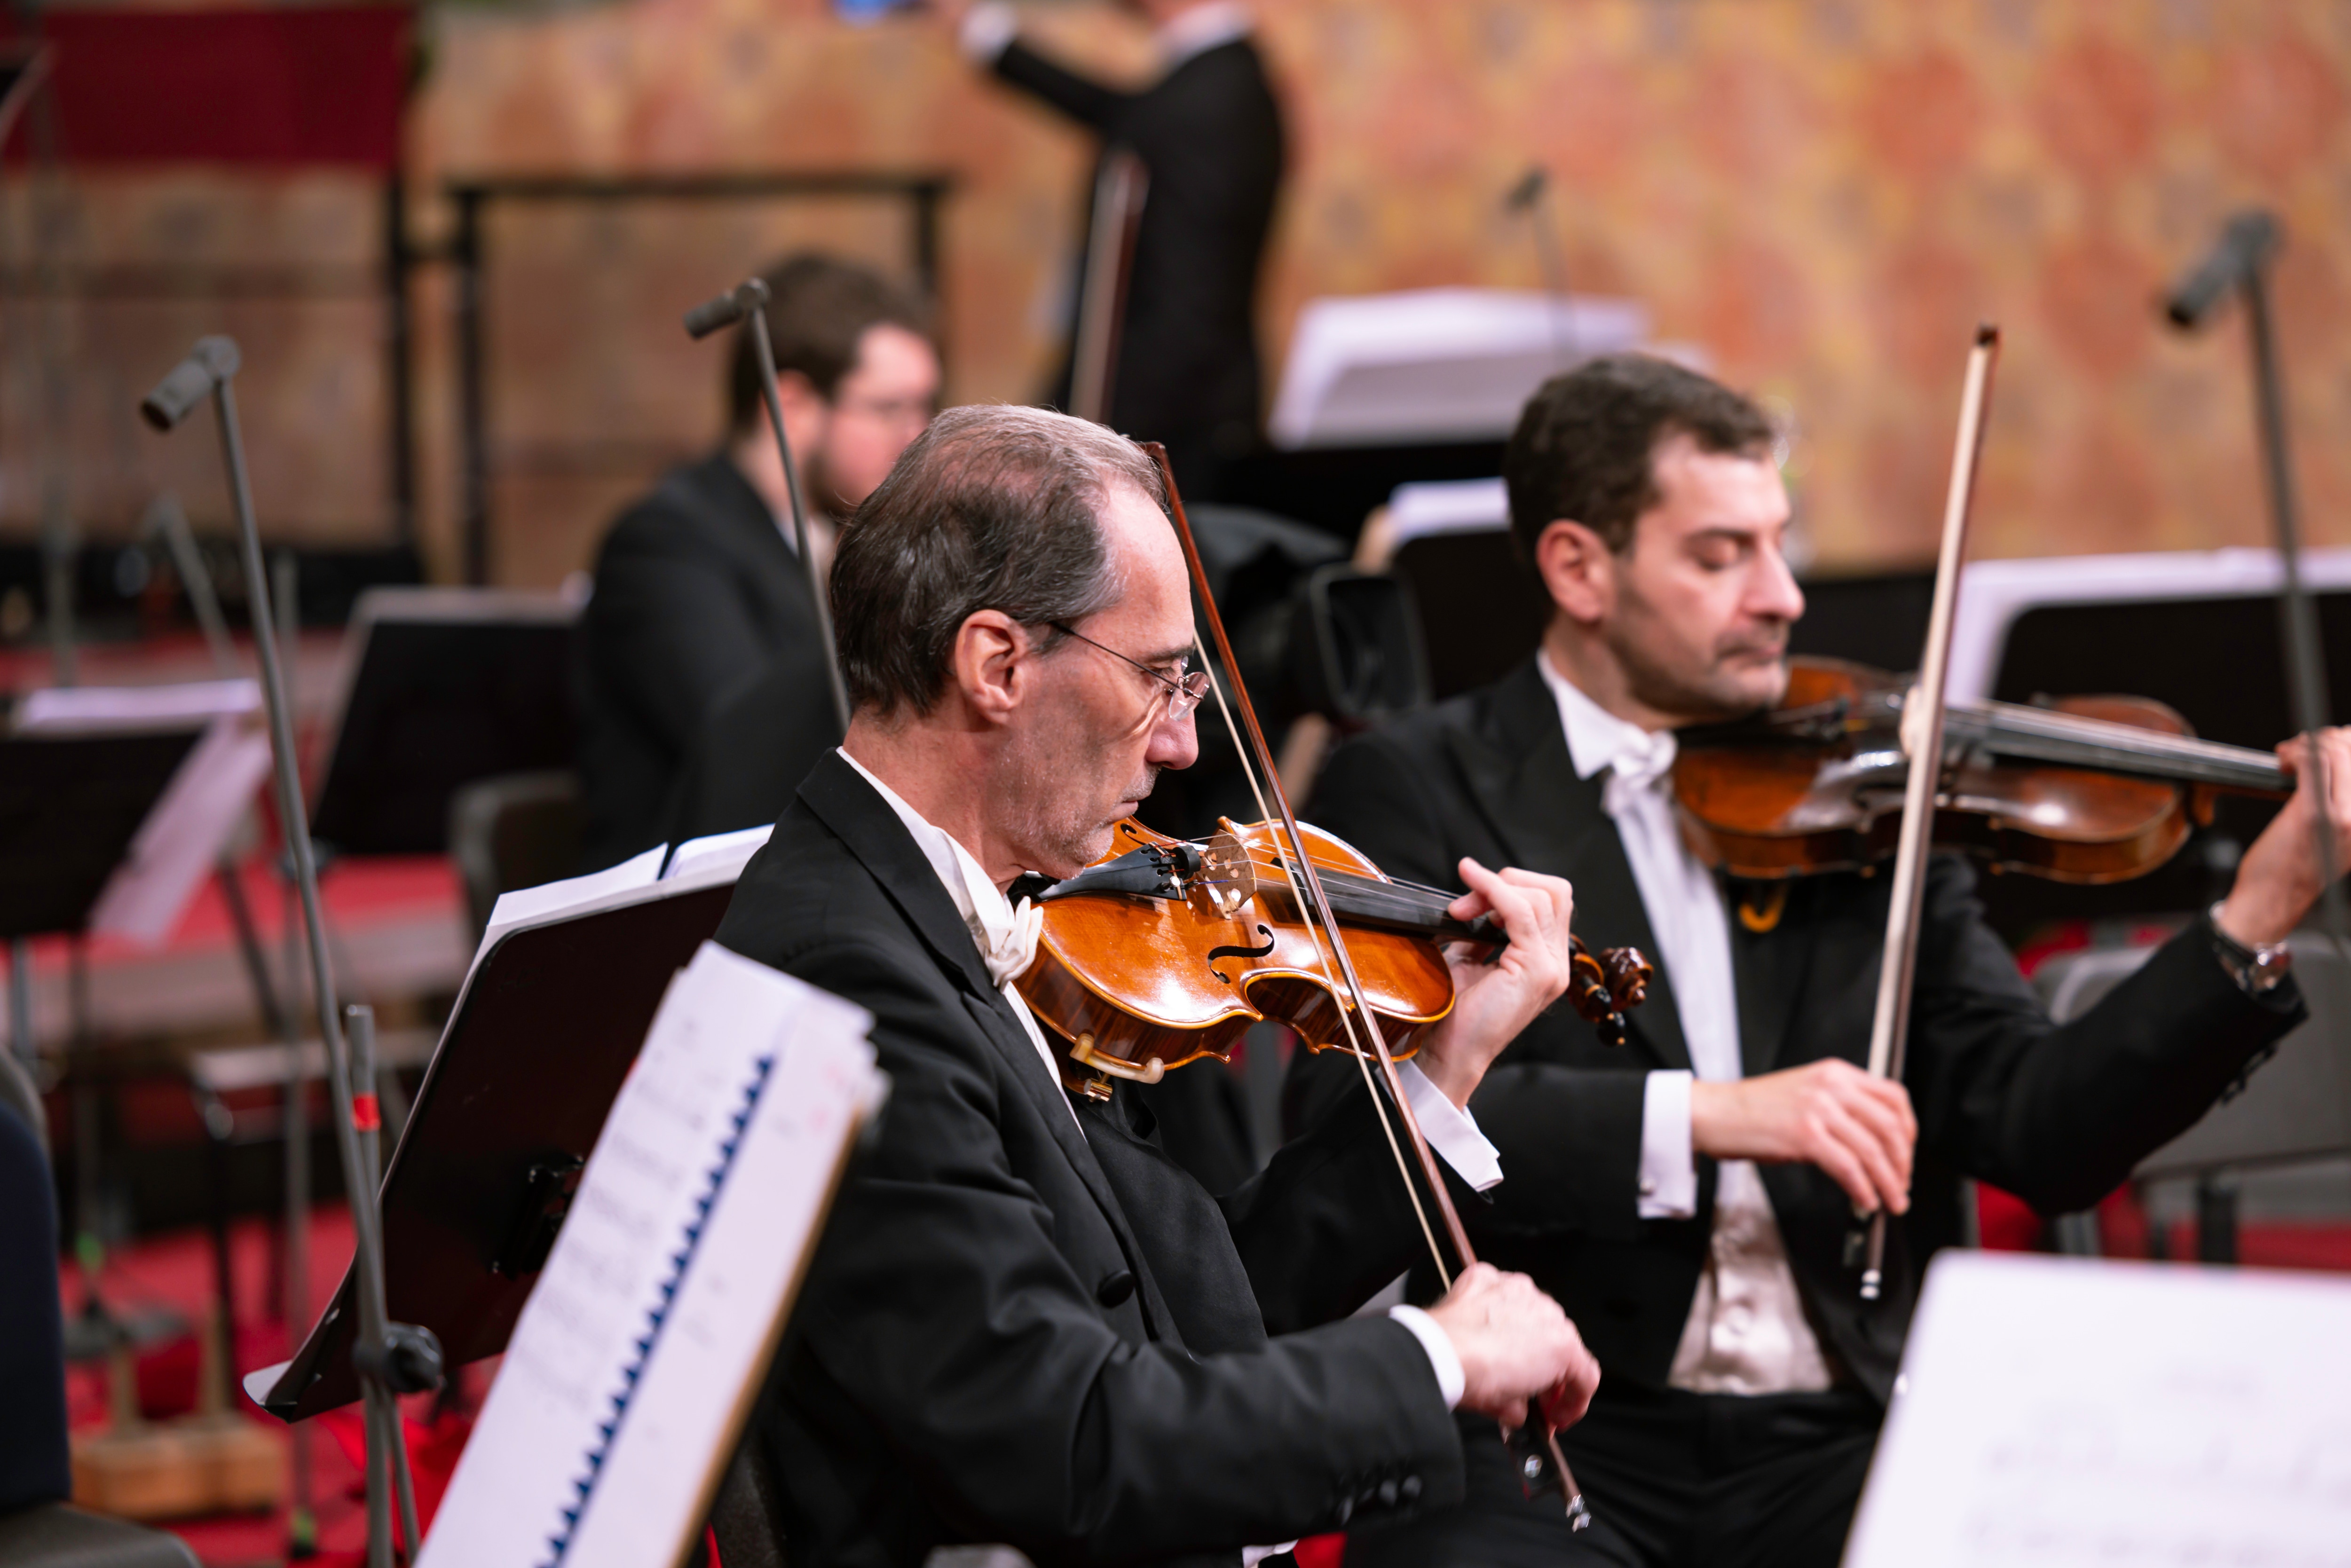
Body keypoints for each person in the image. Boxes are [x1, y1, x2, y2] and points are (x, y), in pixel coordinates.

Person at [1294, 353, 2343, 1568]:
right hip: (1546, 1430)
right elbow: (1357, 1121)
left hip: (1845, 1430)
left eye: (1780, 543)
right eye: (1720, 553)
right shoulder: (1419, 783)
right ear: (1580, 567)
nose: (1784, 594)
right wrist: (1713, 1114)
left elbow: (2043, 1128)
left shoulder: (1863, 800)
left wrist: (2260, 909)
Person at [716, 404, 1605, 1567]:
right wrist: (1435, 1359)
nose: (1183, 745)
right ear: (997, 664)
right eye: (1159, 677)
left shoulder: (963, 907)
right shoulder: (851, 971)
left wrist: (1447, 1064)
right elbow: (1067, 1439)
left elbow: (1186, 1302)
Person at [576, 253, 938, 870]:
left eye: (925, 407)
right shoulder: (663, 545)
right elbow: (751, 749)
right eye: (890, 409)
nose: (918, 436)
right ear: (793, 404)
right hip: (679, 919)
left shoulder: (831, 539)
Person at [938, 0, 1282, 500]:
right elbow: (1123, 115)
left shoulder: (1208, 97)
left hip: (1174, 426)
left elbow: (1188, 307)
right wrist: (990, 38)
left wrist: (1099, 443)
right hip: (1183, 411)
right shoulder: (1208, 82)